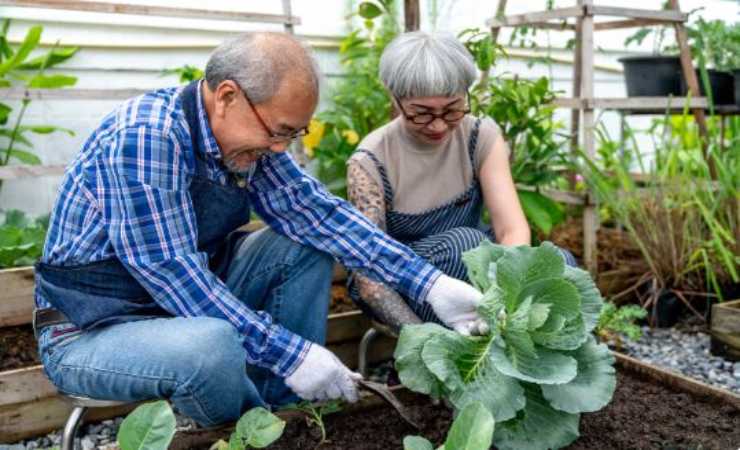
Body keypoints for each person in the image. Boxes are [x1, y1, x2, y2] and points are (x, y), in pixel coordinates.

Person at [32, 32, 487, 427]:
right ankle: (259, 434)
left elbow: (318, 215)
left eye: (294, 134)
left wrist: (429, 284)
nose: (281, 146)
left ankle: (289, 412)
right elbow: (174, 277)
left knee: (301, 246)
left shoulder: (251, 140)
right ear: (227, 96)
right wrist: (294, 354)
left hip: (176, 313)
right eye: (280, 131)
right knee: (210, 349)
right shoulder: (145, 139)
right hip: (93, 330)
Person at [346, 31, 577, 328]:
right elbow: (370, 277)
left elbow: (511, 229)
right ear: (394, 97)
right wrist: (420, 338)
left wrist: (505, 296)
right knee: (464, 244)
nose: (439, 125)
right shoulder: (370, 162)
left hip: (476, 272)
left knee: (560, 264)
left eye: (453, 109)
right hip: (403, 286)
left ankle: (518, 354)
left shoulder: (480, 136)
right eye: (422, 113)